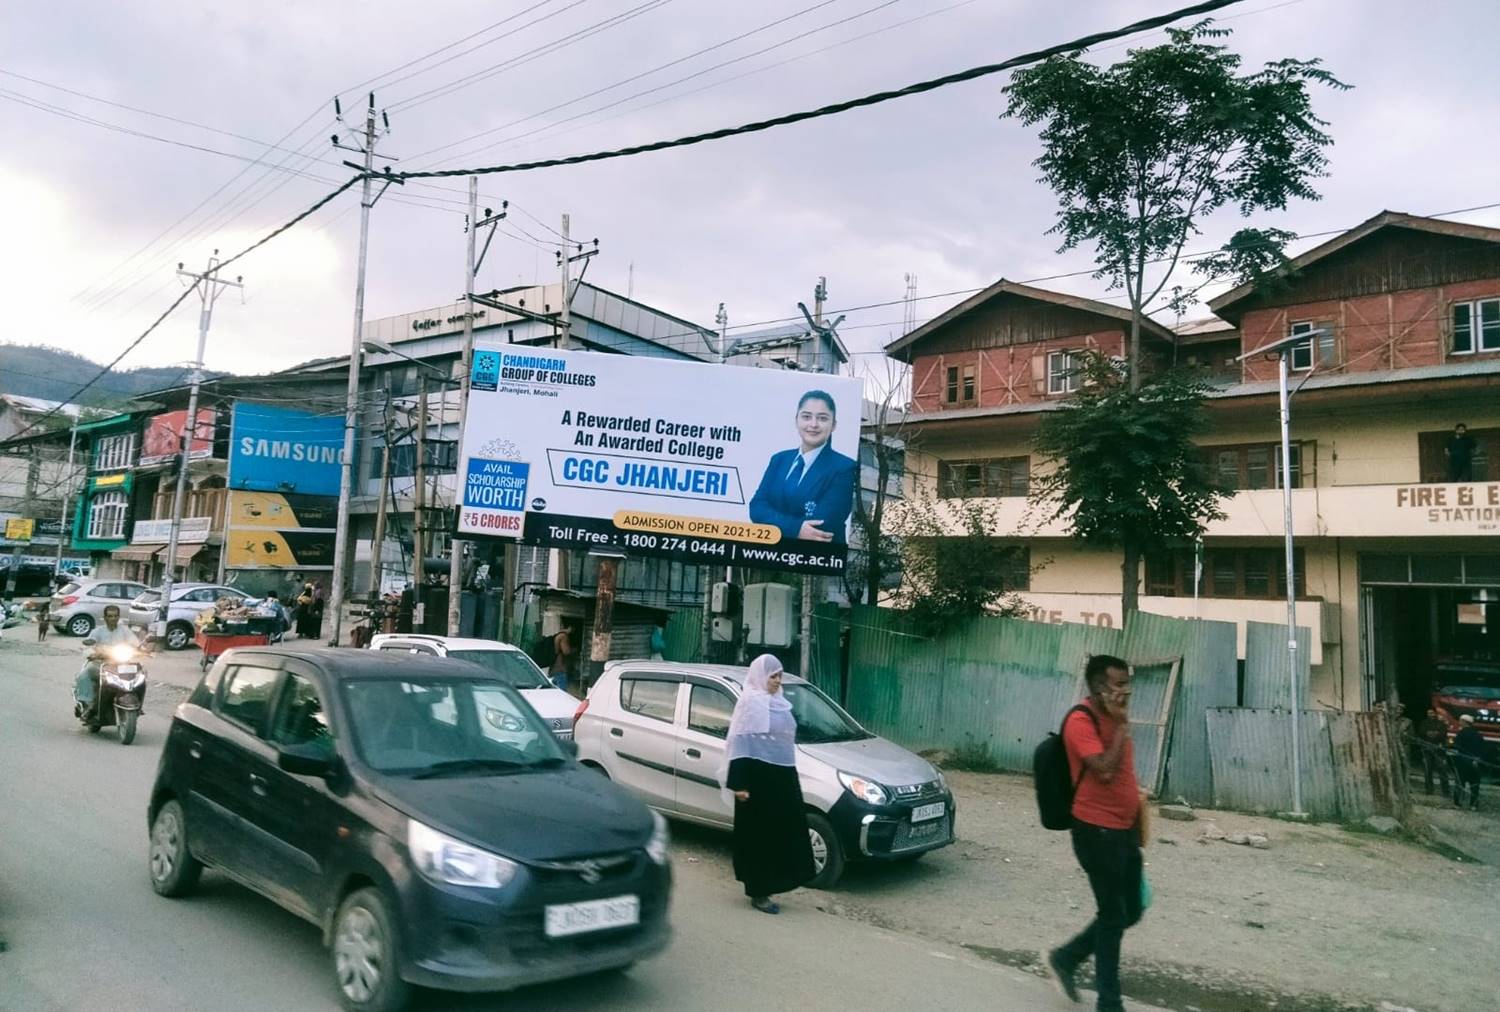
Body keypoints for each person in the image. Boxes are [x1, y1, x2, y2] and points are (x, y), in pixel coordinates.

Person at [1049, 654, 1143, 1012]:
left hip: (1123, 830)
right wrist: (1121, 728)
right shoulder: (1080, 721)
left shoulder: (1115, 717)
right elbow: (1104, 770)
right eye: (1119, 684)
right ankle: (1109, 1003)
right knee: (1113, 914)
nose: (1127, 691)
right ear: (1099, 687)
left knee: (1131, 909)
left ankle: (1066, 958)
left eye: (1128, 683)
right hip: (1095, 831)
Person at [721, 654, 815, 914]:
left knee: (783, 831)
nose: (777, 681)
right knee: (759, 836)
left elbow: (783, 741)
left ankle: (781, 880)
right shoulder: (750, 703)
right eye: (772, 676)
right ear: (760, 676)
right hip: (756, 780)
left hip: (781, 777)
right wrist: (739, 784)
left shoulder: (780, 703)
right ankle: (759, 891)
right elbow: (740, 742)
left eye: (779, 675)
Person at [748, 390, 858, 545]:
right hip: (770, 554)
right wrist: (796, 529)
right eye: (806, 417)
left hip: (817, 556)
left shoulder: (845, 468)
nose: (813, 424)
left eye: (822, 418)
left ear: (833, 425)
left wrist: (773, 520)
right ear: (796, 421)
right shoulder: (779, 459)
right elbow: (756, 507)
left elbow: (823, 523)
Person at [74, 605, 142, 719]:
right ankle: (88, 705)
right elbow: (88, 646)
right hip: (101, 663)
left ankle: (137, 703)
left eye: (115, 616)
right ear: (105, 617)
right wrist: (92, 653)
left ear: (119, 617)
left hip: (122, 665)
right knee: (86, 673)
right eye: (110, 616)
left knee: (140, 677)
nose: (113, 618)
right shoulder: (97, 631)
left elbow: (135, 643)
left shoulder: (125, 631)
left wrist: (142, 649)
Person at [1453, 714, 1485, 811]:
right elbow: (1482, 749)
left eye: (1460, 721)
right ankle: (1473, 805)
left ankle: (1457, 804)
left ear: (1464, 722)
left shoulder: (1461, 733)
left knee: (1460, 783)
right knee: (1474, 785)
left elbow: (1456, 747)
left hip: (1462, 762)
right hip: (1475, 763)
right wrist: (1477, 759)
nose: (1459, 722)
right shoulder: (1478, 734)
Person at [1418, 707, 1451, 797]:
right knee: (1427, 771)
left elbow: (1443, 733)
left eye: (1432, 713)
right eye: (1429, 713)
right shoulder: (1423, 723)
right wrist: (1433, 733)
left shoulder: (1441, 723)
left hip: (1439, 751)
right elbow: (1421, 732)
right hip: (1427, 750)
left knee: (1442, 771)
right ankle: (1429, 790)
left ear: (1435, 714)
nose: (1430, 715)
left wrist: (1433, 734)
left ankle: (1446, 791)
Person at [549, 622, 578, 693]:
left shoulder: (557, 635)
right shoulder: (563, 636)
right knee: (562, 693)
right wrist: (574, 650)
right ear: (570, 627)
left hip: (553, 668)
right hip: (560, 669)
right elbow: (566, 651)